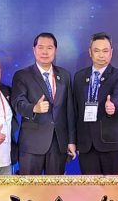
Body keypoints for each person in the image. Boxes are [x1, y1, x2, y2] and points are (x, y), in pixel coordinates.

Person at [12, 32, 76, 175]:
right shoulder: (22, 75)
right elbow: (18, 103)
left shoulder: (64, 75)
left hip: (58, 143)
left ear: (55, 50)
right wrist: (33, 108)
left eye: (49, 48)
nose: (45, 52)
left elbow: (69, 110)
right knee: (29, 187)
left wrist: (71, 141)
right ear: (34, 50)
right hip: (32, 144)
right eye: (41, 47)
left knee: (54, 187)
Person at [72, 32, 118, 175]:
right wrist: (72, 140)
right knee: (90, 187)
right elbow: (74, 110)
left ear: (111, 53)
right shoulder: (79, 77)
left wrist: (113, 106)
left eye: (105, 51)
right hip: (86, 144)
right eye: (97, 51)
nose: (101, 55)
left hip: (111, 143)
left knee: (114, 187)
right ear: (90, 52)